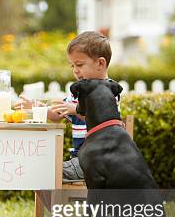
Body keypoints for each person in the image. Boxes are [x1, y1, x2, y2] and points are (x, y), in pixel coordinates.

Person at [16, 31, 119, 181]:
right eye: (72, 66)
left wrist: (75, 110)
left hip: (99, 158)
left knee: (49, 172)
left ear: (100, 63)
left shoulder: (110, 89)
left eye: (79, 65)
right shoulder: (78, 91)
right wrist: (36, 107)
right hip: (80, 158)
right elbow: (56, 115)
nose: (75, 70)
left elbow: (100, 116)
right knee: (43, 169)